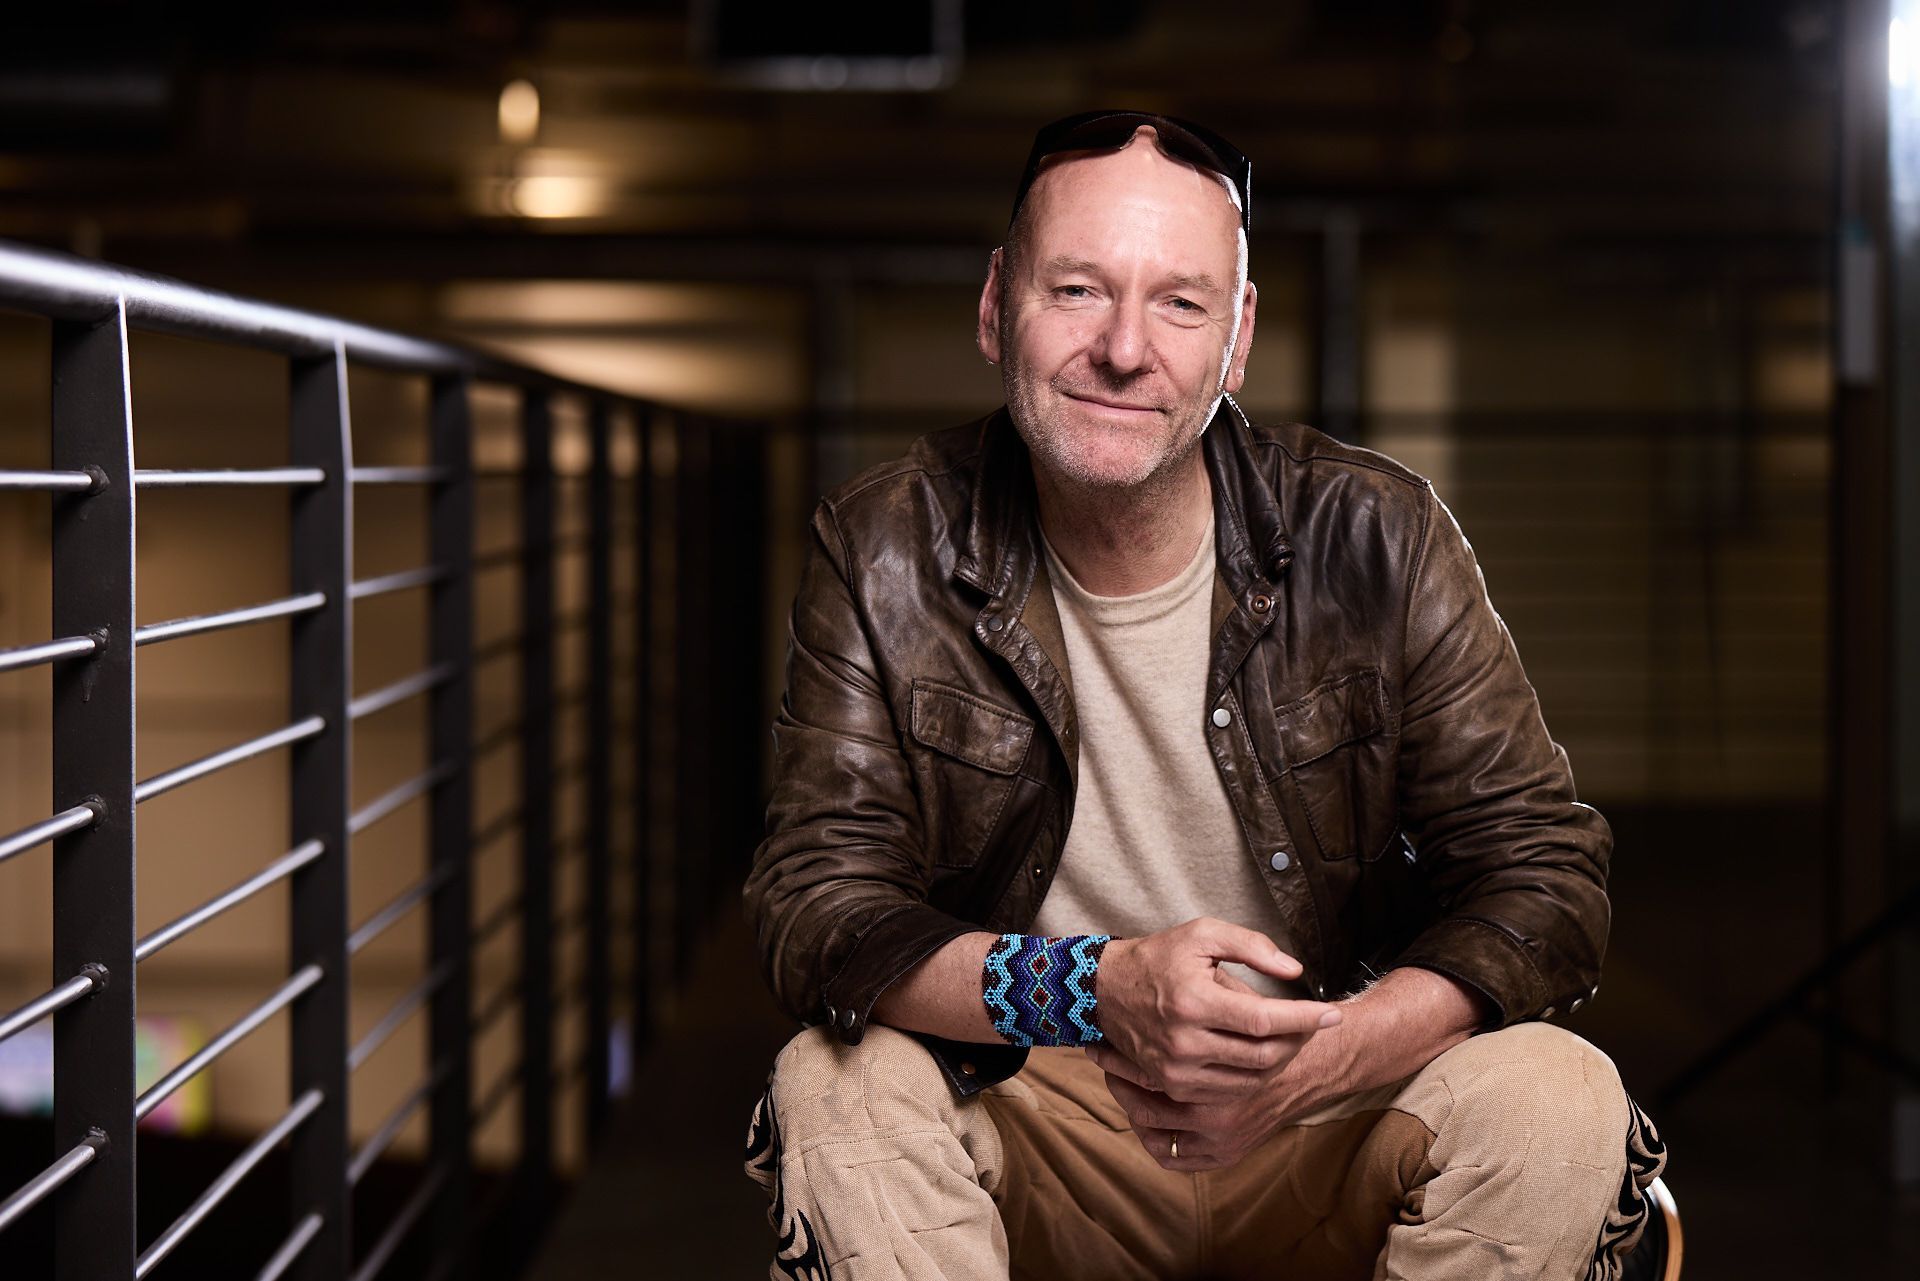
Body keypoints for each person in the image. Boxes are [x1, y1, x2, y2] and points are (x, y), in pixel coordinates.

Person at [742, 109, 1665, 1281]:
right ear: (994, 307)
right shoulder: (882, 544)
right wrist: (1093, 989)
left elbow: (1545, 873)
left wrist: (1324, 1057)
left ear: (1236, 340)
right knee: (838, 1081)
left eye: (1181, 303)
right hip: (1034, 1114)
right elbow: (816, 908)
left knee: (1557, 1097)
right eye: (1077, 289)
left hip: (1320, 1118)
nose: (1126, 347)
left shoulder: (1374, 533)